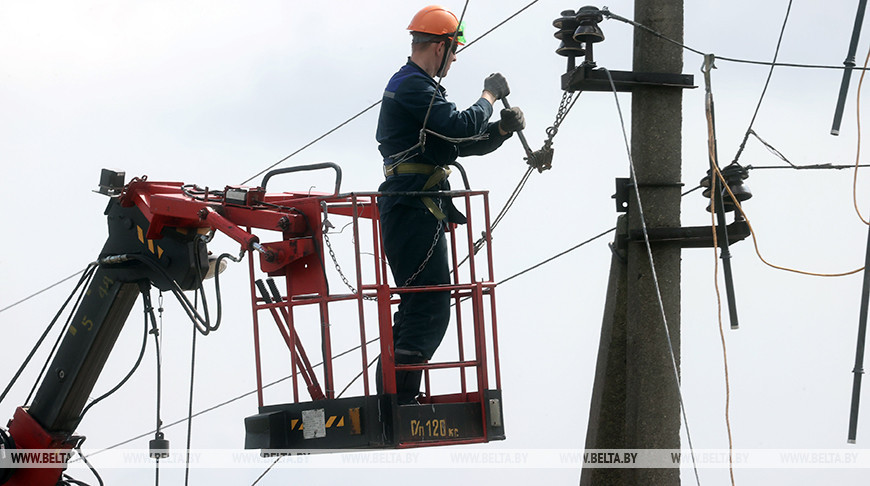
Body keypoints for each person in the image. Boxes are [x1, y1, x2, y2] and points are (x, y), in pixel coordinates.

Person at [375, 5, 526, 404]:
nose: (455, 58)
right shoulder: (411, 86)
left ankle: (397, 394)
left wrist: (500, 131)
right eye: (453, 49)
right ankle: (398, 398)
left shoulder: (422, 90)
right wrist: (488, 96)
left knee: (422, 303)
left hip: (416, 206)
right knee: (429, 305)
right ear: (439, 47)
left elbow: (454, 144)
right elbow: (459, 125)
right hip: (410, 206)